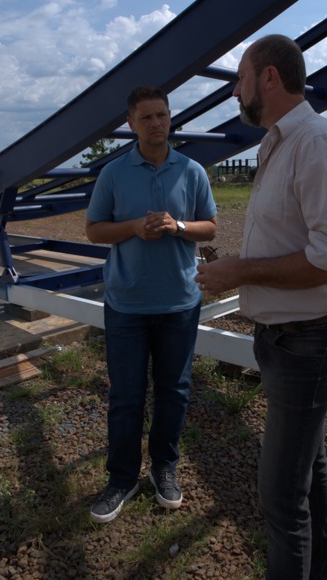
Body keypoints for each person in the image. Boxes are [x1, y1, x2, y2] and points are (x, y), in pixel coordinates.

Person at [195, 35, 327, 579]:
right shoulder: (280, 141)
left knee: (279, 500)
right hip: (287, 338)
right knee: (307, 473)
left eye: (240, 79)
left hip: (308, 340)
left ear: (269, 77)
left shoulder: (317, 141)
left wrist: (239, 271)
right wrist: (238, 270)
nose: (236, 92)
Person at [86, 85, 217, 523]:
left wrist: (179, 225)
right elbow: (94, 230)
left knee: (174, 392)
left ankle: (165, 467)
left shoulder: (192, 171)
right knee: (125, 396)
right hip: (126, 303)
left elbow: (211, 228)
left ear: (170, 117)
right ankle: (122, 479)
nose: (156, 123)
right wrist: (132, 228)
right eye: (146, 117)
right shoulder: (115, 173)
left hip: (179, 301)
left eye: (162, 115)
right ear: (131, 124)